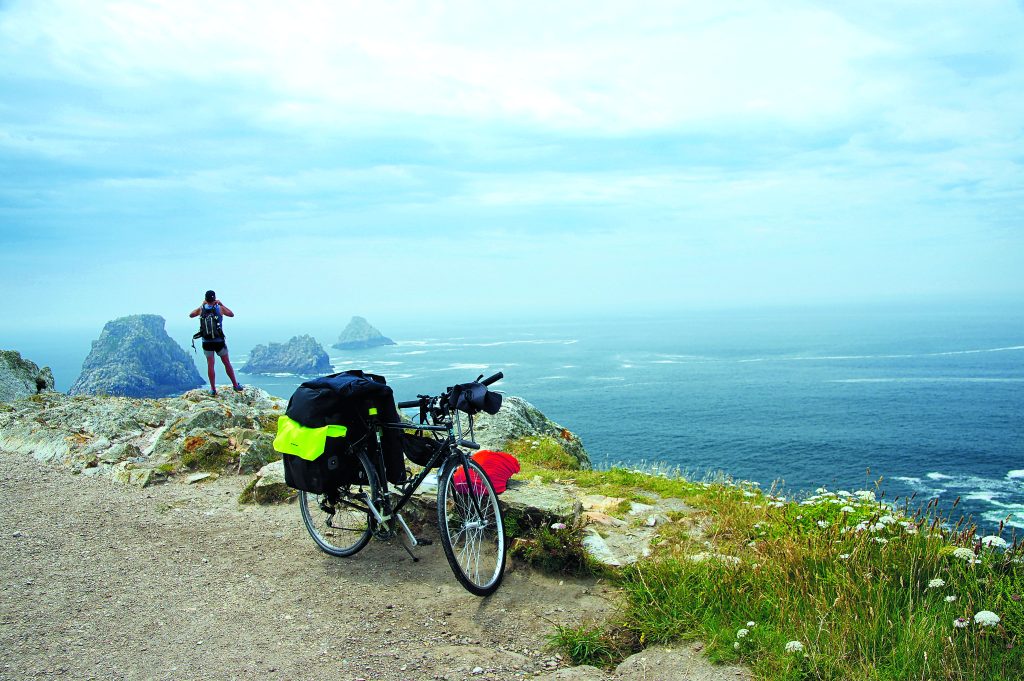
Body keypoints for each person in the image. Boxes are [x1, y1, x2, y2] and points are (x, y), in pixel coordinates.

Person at [189, 290, 243, 396]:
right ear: (214, 298)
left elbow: (191, 315)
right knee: (226, 363)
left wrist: (201, 305)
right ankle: (235, 385)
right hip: (219, 341)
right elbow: (231, 314)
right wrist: (222, 304)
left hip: (206, 342)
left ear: (206, 298)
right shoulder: (220, 308)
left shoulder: (201, 309)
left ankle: (213, 389)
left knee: (210, 364)